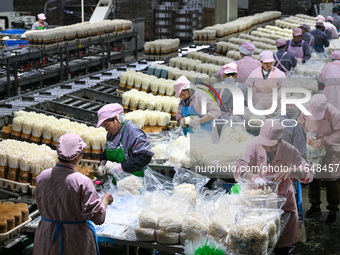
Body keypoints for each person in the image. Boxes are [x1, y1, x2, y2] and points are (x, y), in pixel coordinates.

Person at [235, 120, 313, 255]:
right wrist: (254, 177)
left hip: (282, 203)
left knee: (280, 244)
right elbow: (239, 167)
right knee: (256, 241)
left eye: (271, 146)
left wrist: (293, 170)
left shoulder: (289, 150)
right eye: (264, 144)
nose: (267, 148)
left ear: (280, 141)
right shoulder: (253, 147)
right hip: (256, 201)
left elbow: (308, 174)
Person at [34, 133, 114, 255]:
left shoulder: (42, 177)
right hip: (74, 241)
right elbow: (98, 218)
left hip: (47, 237)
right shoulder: (82, 182)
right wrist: (105, 201)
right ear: (79, 156)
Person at [298, 94, 340, 224]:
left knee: (331, 179)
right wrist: (308, 136)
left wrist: (325, 140)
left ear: (325, 108)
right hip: (313, 147)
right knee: (313, 176)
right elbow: (301, 125)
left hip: (331, 150)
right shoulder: (305, 110)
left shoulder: (334, 113)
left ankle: (333, 209)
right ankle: (315, 205)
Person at [97, 103, 154, 179]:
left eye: (107, 125)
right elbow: (109, 150)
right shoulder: (110, 133)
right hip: (117, 179)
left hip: (134, 180)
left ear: (116, 118)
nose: (106, 129)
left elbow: (144, 157)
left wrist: (121, 167)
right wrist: (102, 163)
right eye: (104, 126)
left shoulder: (133, 132)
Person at [213, 62, 247, 137]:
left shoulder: (215, 86)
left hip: (219, 119)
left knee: (218, 141)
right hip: (236, 121)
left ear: (224, 75)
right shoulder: (242, 87)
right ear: (236, 75)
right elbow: (247, 103)